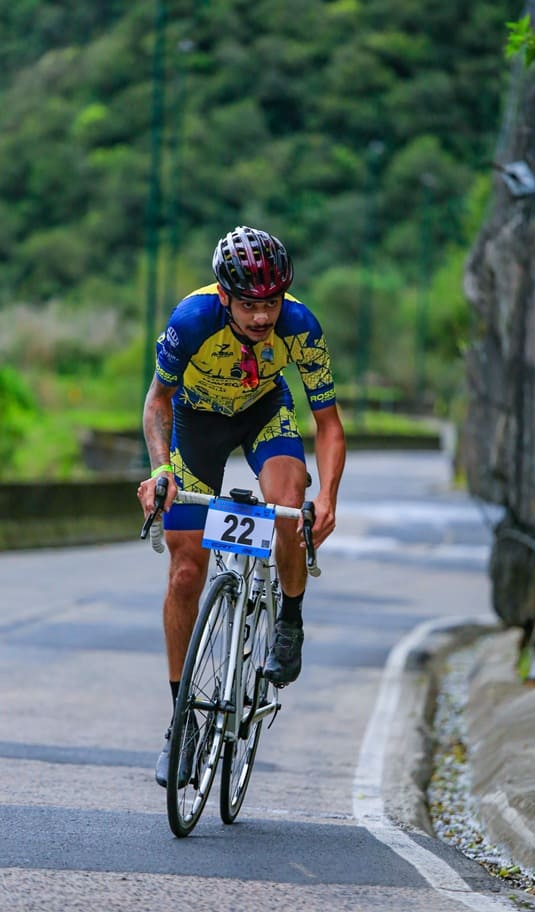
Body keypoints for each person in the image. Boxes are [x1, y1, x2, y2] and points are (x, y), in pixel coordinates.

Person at [137, 225, 346, 788]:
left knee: (289, 505)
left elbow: (328, 424)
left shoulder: (301, 327)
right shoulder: (191, 320)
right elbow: (157, 402)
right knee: (185, 572)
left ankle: (290, 620)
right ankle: (182, 723)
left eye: (271, 302)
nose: (262, 316)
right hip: (196, 422)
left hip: (264, 412)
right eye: (250, 304)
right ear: (225, 296)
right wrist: (160, 471)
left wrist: (328, 496)